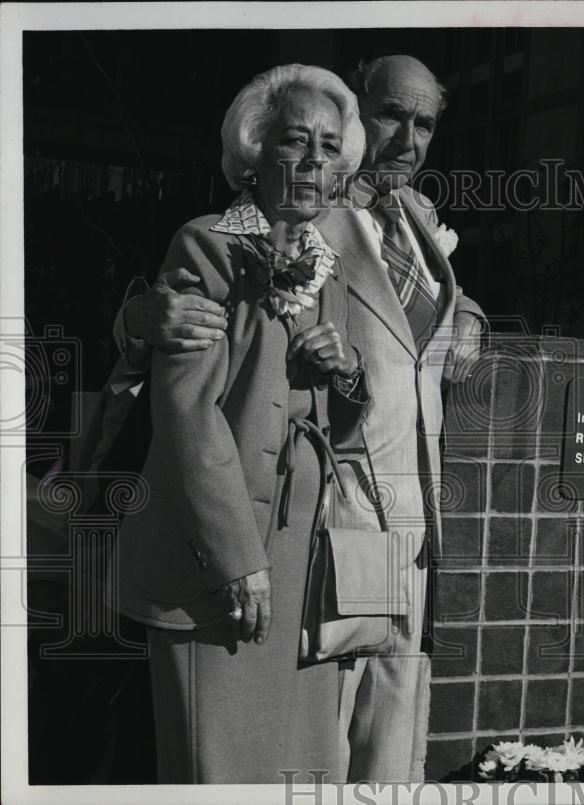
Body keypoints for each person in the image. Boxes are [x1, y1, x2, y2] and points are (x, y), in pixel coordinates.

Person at [103, 55, 485, 782]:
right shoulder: (244, 231)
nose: (404, 138)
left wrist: (453, 320)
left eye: (424, 123)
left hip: (364, 530)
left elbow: (401, 342)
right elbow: (184, 389)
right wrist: (136, 317)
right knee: (230, 757)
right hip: (262, 536)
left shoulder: (392, 227)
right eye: (388, 116)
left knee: (351, 752)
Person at [109, 63, 374, 784]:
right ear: (253, 153)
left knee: (300, 772)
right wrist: (237, 559)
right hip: (222, 557)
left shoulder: (330, 266)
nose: (316, 159)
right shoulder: (206, 244)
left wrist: (342, 373)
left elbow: (343, 428)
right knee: (219, 769)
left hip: (302, 566)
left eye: (330, 145)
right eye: (295, 140)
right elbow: (186, 413)